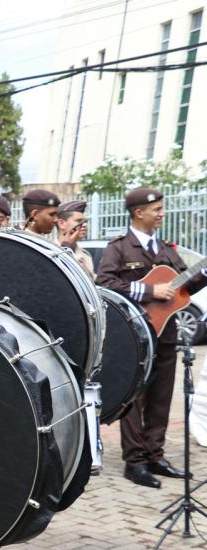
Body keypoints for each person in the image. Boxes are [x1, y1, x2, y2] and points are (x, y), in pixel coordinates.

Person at [96, 188, 205, 488]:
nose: (162, 213)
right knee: (134, 398)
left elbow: (184, 287)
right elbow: (105, 283)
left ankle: (155, 455)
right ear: (138, 212)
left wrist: (203, 273)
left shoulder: (167, 249)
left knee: (161, 397)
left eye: (161, 208)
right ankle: (135, 462)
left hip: (166, 332)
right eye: (156, 209)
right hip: (134, 334)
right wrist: (149, 291)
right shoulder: (119, 247)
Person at [55, 200, 95, 279]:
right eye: (79, 221)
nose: (84, 225)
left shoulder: (86, 255)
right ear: (61, 223)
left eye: (85, 221)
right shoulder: (49, 252)